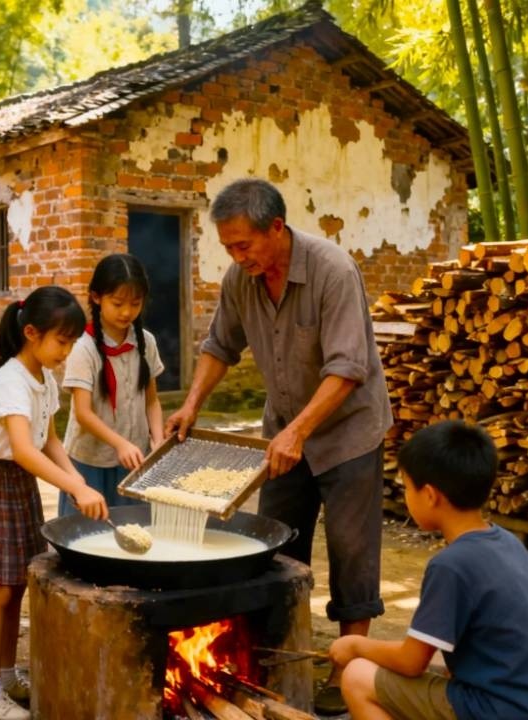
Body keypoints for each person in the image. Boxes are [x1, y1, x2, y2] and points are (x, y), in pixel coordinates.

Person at [164, 178, 392, 712]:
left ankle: (347, 667)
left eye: (244, 244)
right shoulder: (240, 279)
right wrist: (192, 403)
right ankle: (276, 654)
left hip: (348, 433)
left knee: (352, 552)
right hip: (285, 431)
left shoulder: (332, 270)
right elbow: (220, 345)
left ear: (276, 227)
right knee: (277, 542)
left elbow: (348, 368)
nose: (237, 256)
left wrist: (299, 431)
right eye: (228, 247)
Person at [328, 420, 528, 720]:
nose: (406, 496)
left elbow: (411, 662)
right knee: (440, 672)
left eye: (407, 488)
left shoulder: (451, 565)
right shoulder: (506, 542)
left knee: (357, 676)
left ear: (430, 495)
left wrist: (356, 645)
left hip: (507, 711)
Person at [0, 286, 110, 720]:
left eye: (72, 343)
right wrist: (74, 488)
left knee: (18, 583)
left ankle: (5, 674)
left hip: (20, 484)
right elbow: (22, 449)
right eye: (62, 341)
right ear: (31, 333)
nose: (67, 352)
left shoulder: (43, 378)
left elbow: (49, 440)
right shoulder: (11, 381)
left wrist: (77, 480)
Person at [59, 253, 165, 516]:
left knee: (134, 529)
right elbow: (83, 413)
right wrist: (120, 444)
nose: (127, 312)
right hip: (90, 462)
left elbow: (151, 401)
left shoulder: (146, 342)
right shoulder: (83, 347)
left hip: (134, 460)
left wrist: (159, 440)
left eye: (135, 303)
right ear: (96, 297)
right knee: (88, 532)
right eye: (117, 303)